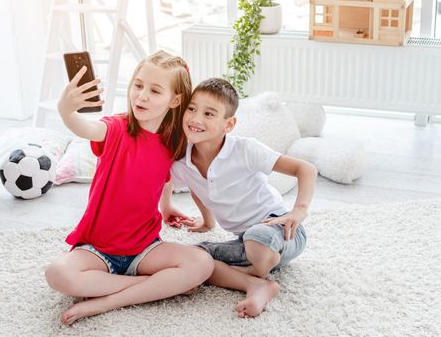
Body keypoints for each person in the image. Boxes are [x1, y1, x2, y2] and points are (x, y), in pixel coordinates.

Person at [45, 51, 214, 325]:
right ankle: (153, 286)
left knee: (202, 263)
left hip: (145, 248)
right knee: (57, 274)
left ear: (175, 100)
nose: (142, 96)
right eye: (138, 85)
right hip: (97, 250)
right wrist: (66, 111)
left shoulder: (173, 140)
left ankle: (109, 300)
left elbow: (165, 177)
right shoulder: (115, 128)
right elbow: (86, 128)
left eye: (155, 90)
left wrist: (166, 206)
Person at [161, 78, 318, 318]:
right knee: (193, 258)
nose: (196, 118)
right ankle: (257, 282)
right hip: (244, 242)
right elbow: (195, 186)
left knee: (258, 238)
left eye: (209, 113)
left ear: (229, 124)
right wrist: (184, 212)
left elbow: (306, 169)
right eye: (191, 109)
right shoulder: (184, 162)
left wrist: (298, 211)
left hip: (280, 229)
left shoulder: (245, 149)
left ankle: (258, 266)